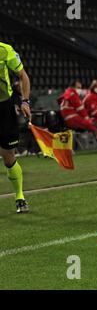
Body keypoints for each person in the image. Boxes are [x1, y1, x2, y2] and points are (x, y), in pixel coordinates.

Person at [0, 42, 31, 213]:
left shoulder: (5, 50)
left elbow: (23, 76)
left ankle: (20, 196)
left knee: (8, 156)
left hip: (4, 108)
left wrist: (25, 101)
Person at [58, 80, 97, 151]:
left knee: (93, 123)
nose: (80, 89)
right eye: (78, 87)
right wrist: (87, 118)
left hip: (70, 118)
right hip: (72, 118)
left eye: (80, 87)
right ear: (73, 87)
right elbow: (80, 109)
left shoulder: (67, 93)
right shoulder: (72, 94)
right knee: (92, 124)